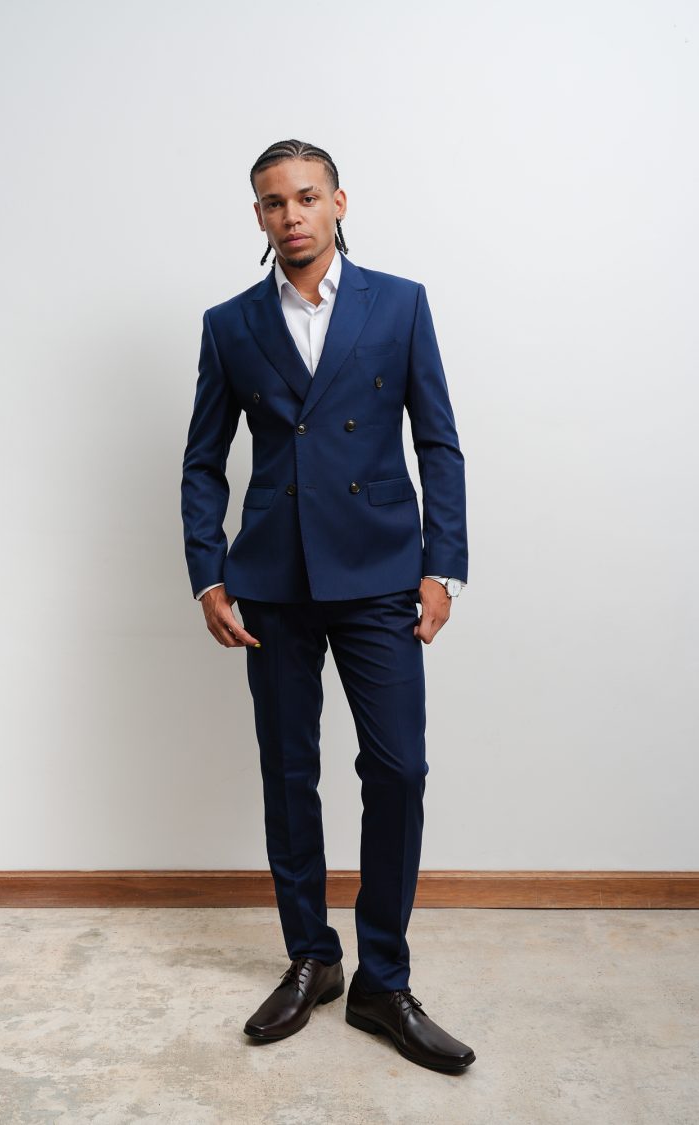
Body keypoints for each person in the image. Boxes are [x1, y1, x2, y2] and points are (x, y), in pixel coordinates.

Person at [181, 139, 475, 1075]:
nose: (293, 215)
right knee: (288, 772)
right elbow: (202, 461)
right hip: (272, 580)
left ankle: (384, 978)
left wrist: (443, 566)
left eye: (307, 197)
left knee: (398, 770)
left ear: (339, 203)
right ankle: (313, 956)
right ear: (259, 216)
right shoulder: (230, 323)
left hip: (381, 572)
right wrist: (208, 574)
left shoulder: (401, 303)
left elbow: (438, 442)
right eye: (275, 203)